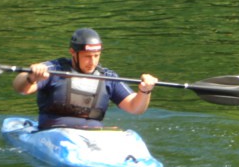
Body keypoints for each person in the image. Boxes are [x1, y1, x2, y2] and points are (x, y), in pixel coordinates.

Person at [13, 28, 157, 129]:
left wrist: (145, 91)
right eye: (87, 56)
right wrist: (30, 77)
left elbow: (135, 108)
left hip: (93, 136)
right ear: (73, 53)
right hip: (55, 134)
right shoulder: (54, 70)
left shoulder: (107, 77)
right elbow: (21, 88)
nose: (92, 62)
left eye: (96, 56)